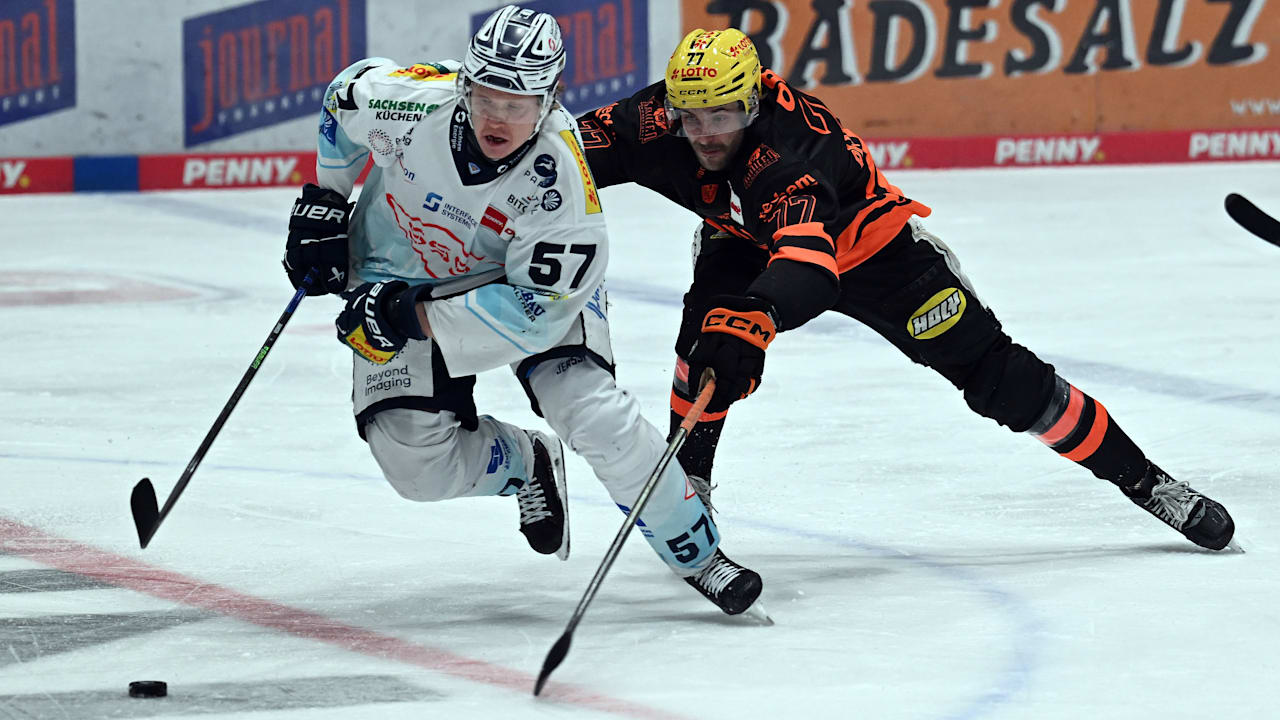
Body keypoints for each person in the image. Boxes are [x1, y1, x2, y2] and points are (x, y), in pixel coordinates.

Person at [574, 28, 1235, 551]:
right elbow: (558, 153)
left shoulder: (790, 155)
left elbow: (808, 264)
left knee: (1003, 381)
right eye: (692, 118)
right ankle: (690, 487)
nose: (707, 132)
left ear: (752, 102)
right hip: (747, 239)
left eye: (725, 114)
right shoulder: (654, 119)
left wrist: (758, 316)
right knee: (707, 345)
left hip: (868, 250)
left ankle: (1149, 483)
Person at [280, 6, 764, 614]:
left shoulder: (563, 184)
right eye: (487, 97)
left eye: (519, 103)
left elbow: (530, 314)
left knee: (591, 414)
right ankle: (524, 462)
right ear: (465, 86)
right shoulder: (408, 102)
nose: (498, 118)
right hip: (399, 271)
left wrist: (410, 316)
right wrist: (326, 199)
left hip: (520, 288)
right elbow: (342, 98)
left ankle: (697, 554)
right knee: (414, 469)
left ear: (551, 99)